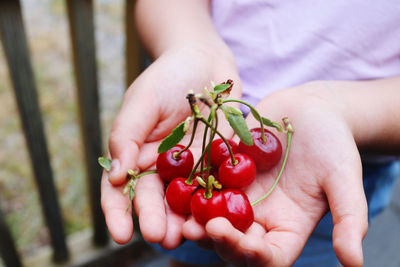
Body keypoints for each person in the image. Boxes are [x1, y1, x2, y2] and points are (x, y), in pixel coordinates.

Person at [101, 0, 400, 266]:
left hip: (326, 175)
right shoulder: (206, 167)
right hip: (209, 132)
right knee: (188, 246)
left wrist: (344, 110)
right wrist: (191, 46)